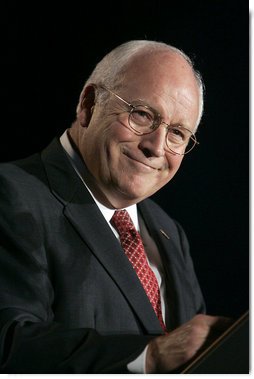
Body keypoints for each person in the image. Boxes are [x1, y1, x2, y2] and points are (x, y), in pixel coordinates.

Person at [0, 40, 231, 374]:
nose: (156, 147)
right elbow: (9, 345)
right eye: (142, 114)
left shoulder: (169, 232)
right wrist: (149, 356)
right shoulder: (10, 193)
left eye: (177, 133)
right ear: (89, 105)